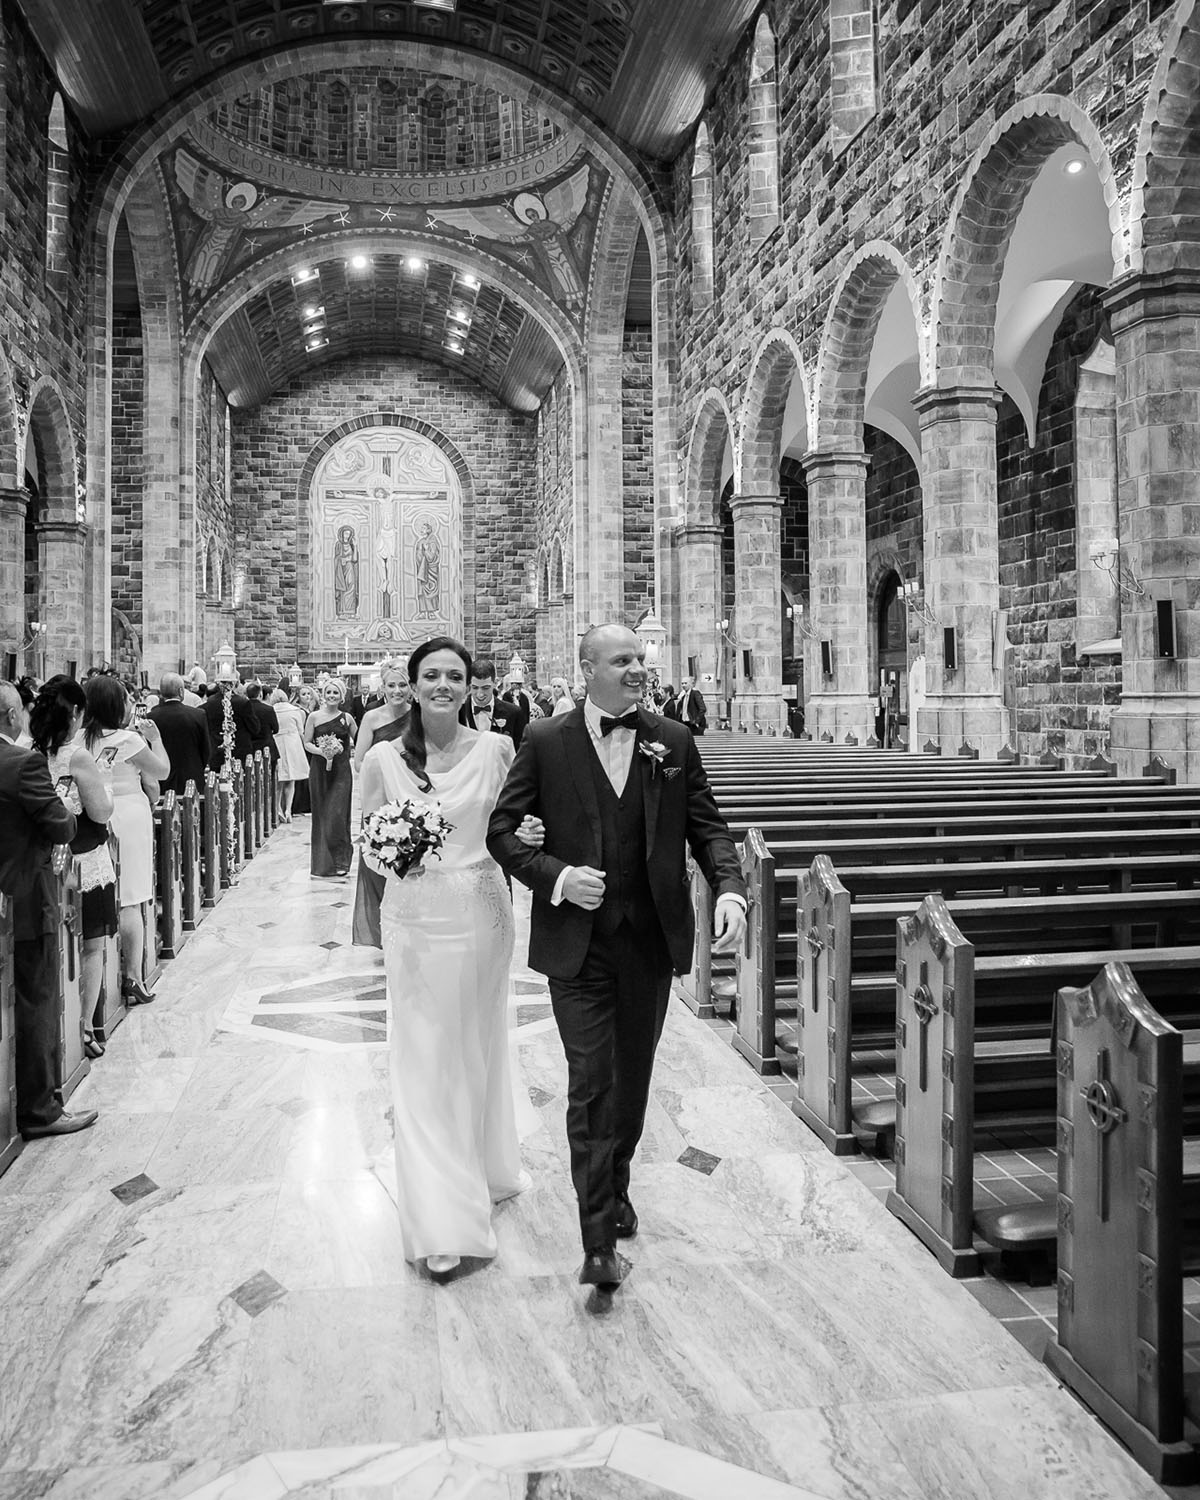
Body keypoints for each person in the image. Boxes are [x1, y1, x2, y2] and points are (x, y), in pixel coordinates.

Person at [487, 624, 747, 1291]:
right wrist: (554, 876)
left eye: (640, 658)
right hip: (578, 947)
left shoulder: (673, 740)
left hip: (649, 943)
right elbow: (503, 831)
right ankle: (596, 1236)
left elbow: (709, 828)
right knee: (591, 1083)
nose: (639, 668)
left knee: (631, 1083)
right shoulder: (545, 742)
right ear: (587, 669)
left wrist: (732, 892)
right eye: (624, 659)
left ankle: (617, 1178)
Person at [360, 637, 542, 1276]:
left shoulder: (496, 749)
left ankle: (487, 1164)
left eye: (455, 676)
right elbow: (367, 844)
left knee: (476, 1044)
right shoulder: (383, 756)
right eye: (431, 675)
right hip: (413, 918)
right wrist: (394, 849)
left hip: (483, 912)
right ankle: (441, 1214)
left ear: (470, 687)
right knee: (423, 1056)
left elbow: (515, 825)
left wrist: (532, 834)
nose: (443, 685)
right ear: (411, 685)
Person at [0, 680, 98, 1139]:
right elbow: (61, 826)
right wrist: (69, 812)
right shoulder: (23, 764)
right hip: (23, 899)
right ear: (10, 717)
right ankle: (41, 1110)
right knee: (36, 1000)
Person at [30, 676, 117, 1060]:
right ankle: (82, 1028)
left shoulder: (27, 752)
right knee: (92, 946)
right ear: (77, 713)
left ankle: (54, 1027)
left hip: (44, 862)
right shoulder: (77, 756)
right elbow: (99, 810)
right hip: (83, 859)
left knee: (53, 951)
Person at [84, 675, 170, 1005]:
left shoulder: (77, 739)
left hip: (93, 815)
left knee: (99, 891)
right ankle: (132, 975)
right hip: (130, 815)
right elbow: (161, 772)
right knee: (130, 895)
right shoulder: (127, 740)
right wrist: (155, 738)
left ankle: (98, 975)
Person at [351, 664, 413, 947]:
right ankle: (380, 930)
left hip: (411, 798)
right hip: (379, 800)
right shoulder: (372, 718)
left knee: (411, 862)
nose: (397, 691)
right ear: (383, 689)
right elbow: (359, 760)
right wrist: (386, 771)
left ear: (410, 687)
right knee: (378, 861)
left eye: (402, 685)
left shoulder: (420, 717)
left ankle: (409, 926)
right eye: (391, 686)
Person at [303, 677, 356, 877]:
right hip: (319, 770)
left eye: (336, 693)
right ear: (323, 695)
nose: (332, 696)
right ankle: (323, 863)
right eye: (329, 692)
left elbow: (359, 741)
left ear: (341, 696)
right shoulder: (314, 717)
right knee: (322, 815)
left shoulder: (347, 718)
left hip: (341, 772)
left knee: (338, 814)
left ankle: (341, 861)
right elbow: (306, 742)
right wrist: (321, 751)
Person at [149, 672, 212, 796]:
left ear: (161, 693)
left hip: (162, 779)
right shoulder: (198, 715)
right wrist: (197, 766)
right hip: (191, 775)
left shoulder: (151, 717)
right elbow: (206, 750)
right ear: (181, 691)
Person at [459, 658, 523, 746]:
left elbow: (518, 753)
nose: (480, 694)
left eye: (485, 688)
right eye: (475, 687)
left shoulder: (514, 713)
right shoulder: (458, 711)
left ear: (495, 683)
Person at [204, 677, 256, 772]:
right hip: (239, 752)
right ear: (234, 684)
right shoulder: (243, 702)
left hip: (217, 751)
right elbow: (254, 728)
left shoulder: (210, 702)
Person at [271, 688, 308, 822]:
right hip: (293, 742)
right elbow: (301, 730)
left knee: (279, 779)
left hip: (278, 741)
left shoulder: (272, 709)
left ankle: (278, 809)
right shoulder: (294, 710)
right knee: (291, 779)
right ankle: (288, 809)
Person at [245, 681, 279, 768]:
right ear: (260, 694)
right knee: (271, 773)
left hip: (249, 746)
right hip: (266, 745)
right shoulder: (268, 709)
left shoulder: (242, 709)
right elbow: (276, 729)